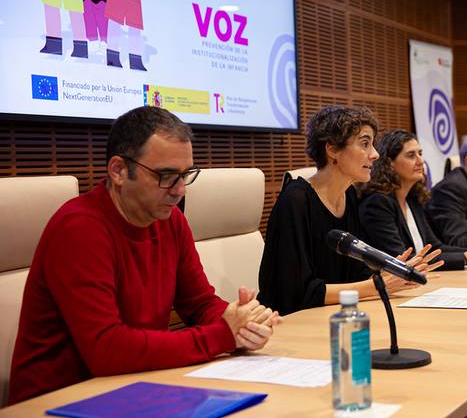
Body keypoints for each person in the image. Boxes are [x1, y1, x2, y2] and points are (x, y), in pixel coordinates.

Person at [9, 106, 280, 404]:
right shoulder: (79, 228)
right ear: (119, 170)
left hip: (132, 386)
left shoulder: (170, 220)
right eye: (166, 176)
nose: (180, 191)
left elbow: (199, 302)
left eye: (185, 175)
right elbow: (106, 349)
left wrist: (243, 323)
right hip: (58, 401)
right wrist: (221, 335)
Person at [257, 106, 443, 316]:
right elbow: (296, 292)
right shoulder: (295, 201)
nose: (375, 154)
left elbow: (354, 271)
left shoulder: (350, 196)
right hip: (286, 324)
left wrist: (390, 270)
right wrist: (377, 284)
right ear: (332, 150)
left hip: (332, 315)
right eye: (365, 144)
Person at [359, 130, 467, 270]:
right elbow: (401, 258)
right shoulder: (378, 203)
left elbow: (434, 248)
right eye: (411, 155)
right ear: (390, 163)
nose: (420, 161)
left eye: (420, 154)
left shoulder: (413, 199)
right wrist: (465, 257)